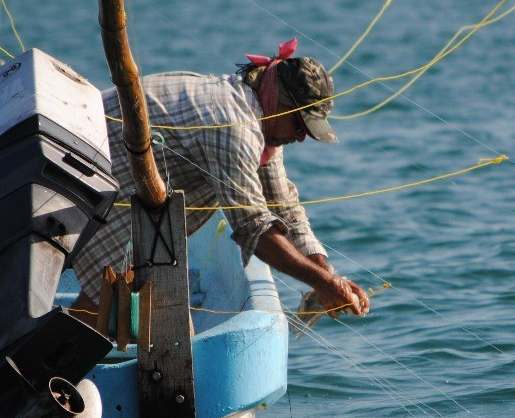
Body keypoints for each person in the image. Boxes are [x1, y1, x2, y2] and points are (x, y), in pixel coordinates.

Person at [70, 39, 371, 321]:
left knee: (121, 280)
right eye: (300, 123)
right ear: (279, 102)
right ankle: (48, 365)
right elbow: (252, 226)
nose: (302, 136)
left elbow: (284, 206)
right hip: (89, 162)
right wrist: (321, 281)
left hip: (119, 167)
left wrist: (327, 275)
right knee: (112, 286)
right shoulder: (235, 126)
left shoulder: (262, 123)